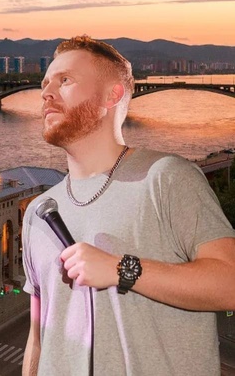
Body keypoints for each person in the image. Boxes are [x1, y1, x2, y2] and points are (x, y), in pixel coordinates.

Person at [22, 36, 235, 376]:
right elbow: (38, 336)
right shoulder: (38, 212)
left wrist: (122, 270)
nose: (46, 93)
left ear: (113, 95)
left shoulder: (166, 178)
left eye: (65, 81)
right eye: (45, 83)